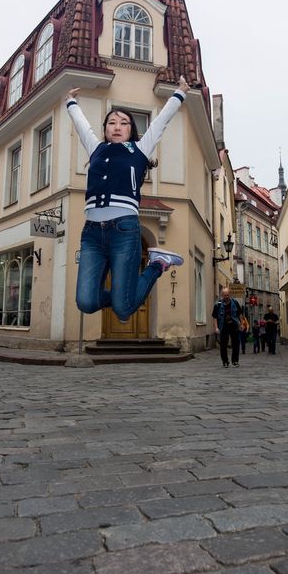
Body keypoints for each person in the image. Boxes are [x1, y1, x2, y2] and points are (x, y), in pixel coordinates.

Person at [66, 76, 190, 323]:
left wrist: (180, 93)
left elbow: (162, 122)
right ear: (105, 129)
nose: (116, 126)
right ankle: (127, 295)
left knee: (124, 310)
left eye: (123, 123)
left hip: (124, 230)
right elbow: (82, 127)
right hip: (91, 233)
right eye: (111, 122)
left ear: (131, 130)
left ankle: (157, 264)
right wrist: (71, 102)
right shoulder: (96, 149)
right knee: (86, 302)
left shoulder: (140, 149)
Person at [212, 287, 246, 368]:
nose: (226, 296)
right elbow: (215, 317)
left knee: (236, 344)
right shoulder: (218, 305)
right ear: (222, 295)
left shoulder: (235, 302)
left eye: (227, 295)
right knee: (223, 345)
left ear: (229, 294)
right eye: (225, 295)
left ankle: (235, 360)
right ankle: (225, 361)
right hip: (223, 326)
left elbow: (240, 314)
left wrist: (242, 324)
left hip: (234, 325)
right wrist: (216, 327)